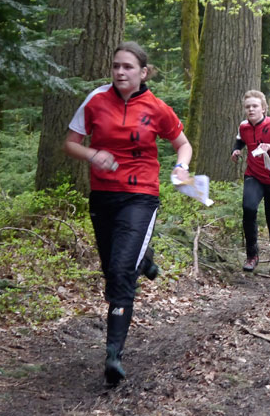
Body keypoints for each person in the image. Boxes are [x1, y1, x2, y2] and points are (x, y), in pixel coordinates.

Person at [64, 41, 192, 385]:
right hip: (103, 196)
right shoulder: (95, 100)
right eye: (116, 66)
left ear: (143, 72)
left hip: (140, 195)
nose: (120, 72)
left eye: (128, 67)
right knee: (111, 268)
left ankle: (113, 355)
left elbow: (183, 144)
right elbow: (70, 143)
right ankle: (145, 258)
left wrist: (181, 167)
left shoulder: (157, 108)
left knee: (121, 272)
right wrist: (93, 155)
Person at [231, 90, 270, 276]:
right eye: (248, 107)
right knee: (249, 209)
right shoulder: (243, 126)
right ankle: (252, 255)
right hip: (254, 176)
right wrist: (236, 150)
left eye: (255, 106)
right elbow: (240, 140)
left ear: (263, 108)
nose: (251, 109)